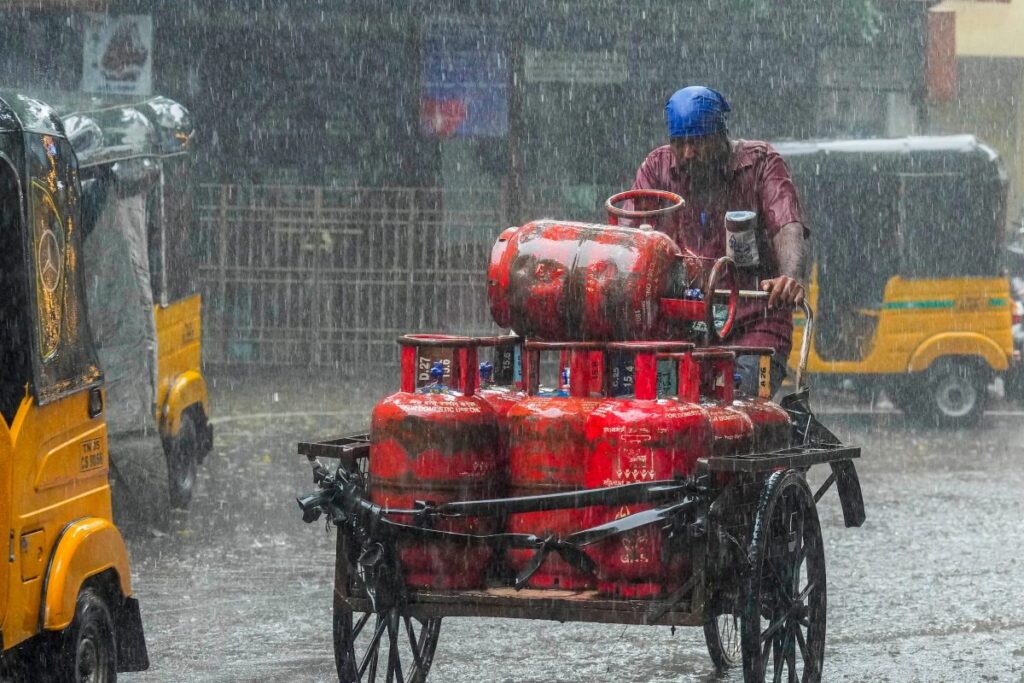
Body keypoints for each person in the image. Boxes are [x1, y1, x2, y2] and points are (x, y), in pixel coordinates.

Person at [628, 85, 808, 395]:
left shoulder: (761, 163)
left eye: (697, 143)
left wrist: (789, 277)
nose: (687, 154)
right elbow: (630, 236)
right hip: (684, 328)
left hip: (755, 325)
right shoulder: (657, 169)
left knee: (740, 415)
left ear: (720, 135)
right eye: (679, 144)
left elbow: (787, 223)